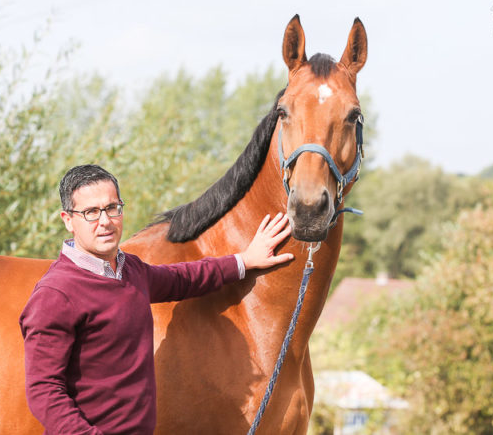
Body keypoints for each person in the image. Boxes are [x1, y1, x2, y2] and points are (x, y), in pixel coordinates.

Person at [19, 164, 294, 435]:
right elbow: (43, 390)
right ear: (68, 220)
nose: (105, 221)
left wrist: (245, 260)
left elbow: (183, 279)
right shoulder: (55, 295)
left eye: (112, 208)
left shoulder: (129, 271)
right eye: (91, 212)